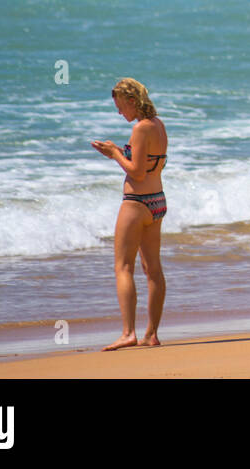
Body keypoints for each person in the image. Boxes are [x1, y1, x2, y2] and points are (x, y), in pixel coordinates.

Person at [90, 78, 168, 350]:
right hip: (157, 201)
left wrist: (114, 154)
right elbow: (151, 161)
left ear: (133, 101)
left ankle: (128, 333)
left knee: (123, 267)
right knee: (153, 269)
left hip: (136, 203)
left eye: (121, 106)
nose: (119, 112)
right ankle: (152, 334)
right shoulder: (158, 125)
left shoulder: (139, 129)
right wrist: (120, 151)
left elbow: (136, 171)